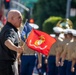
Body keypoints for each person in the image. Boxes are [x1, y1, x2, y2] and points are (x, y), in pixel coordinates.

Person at [0, 9, 23, 75]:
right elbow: (7, 42)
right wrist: (17, 49)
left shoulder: (5, 28)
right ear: (12, 18)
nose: (21, 20)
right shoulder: (10, 30)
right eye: (19, 17)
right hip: (8, 66)